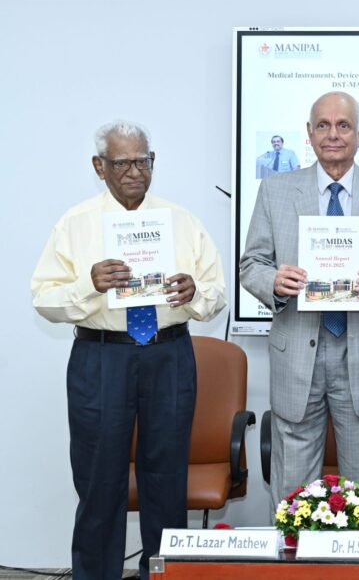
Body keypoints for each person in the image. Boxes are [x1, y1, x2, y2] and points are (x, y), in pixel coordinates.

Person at [31, 120, 226, 580]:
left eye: (144, 160)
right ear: (99, 166)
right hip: (102, 357)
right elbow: (43, 298)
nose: (135, 171)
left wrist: (195, 291)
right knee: (100, 479)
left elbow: (216, 291)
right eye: (122, 163)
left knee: (167, 478)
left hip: (168, 354)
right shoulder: (75, 224)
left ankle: (163, 574)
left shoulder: (182, 221)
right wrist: (88, 283)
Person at [240, 91, 359, 505]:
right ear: (308, 134)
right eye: (323, 125)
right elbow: (251, 264)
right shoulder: (275, 190)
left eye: (343, 125)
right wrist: (273, 281)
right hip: (296, 353)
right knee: (292, 497)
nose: (333, 134)